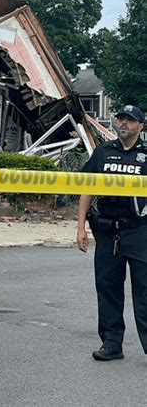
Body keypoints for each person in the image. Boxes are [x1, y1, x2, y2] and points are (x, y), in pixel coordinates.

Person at [77, 104, 147, 361]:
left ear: (141, 126)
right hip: (107, 231)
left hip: (140, 231)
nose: (123, 124)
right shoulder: (103, 152)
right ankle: (112, 343)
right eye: (120, 119)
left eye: (129, 120)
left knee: (145, 292)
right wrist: (80, 226)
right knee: (107, 289)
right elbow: (87, 188)